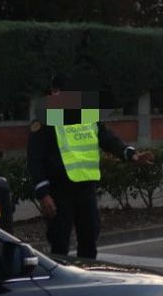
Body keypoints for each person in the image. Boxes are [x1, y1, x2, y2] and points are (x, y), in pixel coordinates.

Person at [26, 78, 153, 260]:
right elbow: (34, 159)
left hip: (86, 190)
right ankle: (61, 284)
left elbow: (108, 139)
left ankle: (85, 281)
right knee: (59, 244)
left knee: (89, 242)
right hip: (59, 191)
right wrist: (43, 194)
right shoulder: (45, 121)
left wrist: (129, 153)